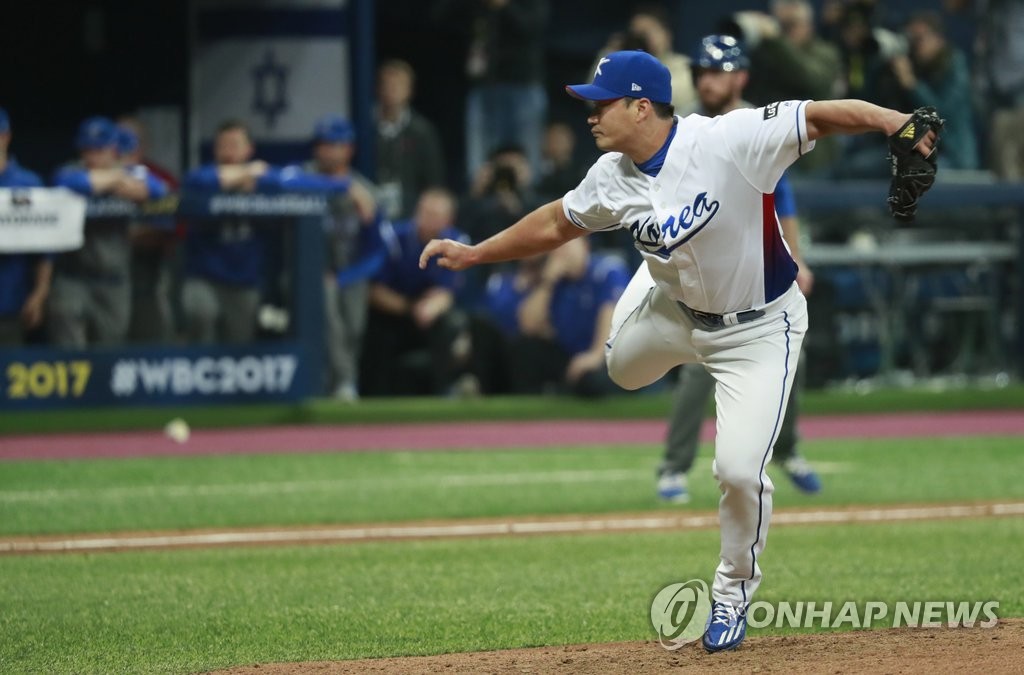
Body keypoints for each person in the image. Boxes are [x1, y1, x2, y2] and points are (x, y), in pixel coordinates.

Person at [419, 49, 937, 651]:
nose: (590, 115)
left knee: (739, 473)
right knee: (620, 369)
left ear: (643, 107)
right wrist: (476, 252)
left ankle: (731, 595)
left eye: (601, 102)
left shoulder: (729, 139)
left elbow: (819, 115)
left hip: (759, 330)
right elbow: (558, 223)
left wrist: (891, 119)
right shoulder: (611, 174)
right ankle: (653, 288)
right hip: (676, 312)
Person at [657, 35, 821, 505]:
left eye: (717, 71)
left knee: (792, 358)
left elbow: (781, 199)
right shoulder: (682, 127)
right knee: (696, 367)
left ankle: (788, 451)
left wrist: (797, 256)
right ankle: (673, 467)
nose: (706, 80)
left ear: (739, 75)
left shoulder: (758, 123)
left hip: (758, 262)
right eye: (701, 72)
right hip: (701, 267)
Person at [50, 116, 169, 347]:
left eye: (100, 149)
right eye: (88, 150)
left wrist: (121, 179)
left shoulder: (132, 171)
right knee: (68, 350)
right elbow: (68, 183)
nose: (93, 156)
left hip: (113, 279)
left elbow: (159, 190)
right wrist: (116, 179)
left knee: (109, 350)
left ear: (114, 149)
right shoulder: (72, 170)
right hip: (74, 276)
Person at [479, 237, 628, 397]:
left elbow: (611, 315)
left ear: (585, 246)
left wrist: (595, 356)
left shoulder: (606, 271)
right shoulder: (556, 280)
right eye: (556, 248)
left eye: (566, 246)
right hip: (567, 355)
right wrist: (548, 282)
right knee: (524, 348)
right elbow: (528, 325)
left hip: (606, 356)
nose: (560, 253)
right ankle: (531, 407)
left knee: (592, 382)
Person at [361, 188, 471, 397]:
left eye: (435, 215)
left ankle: (445, 392)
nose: (427, 219)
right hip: (394, 311)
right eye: (424, 212)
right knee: (373, 328)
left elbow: (447, 293)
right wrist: (409, 308)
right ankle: (373, 396)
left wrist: (430, 308)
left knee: (452, 323)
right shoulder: (394, 237)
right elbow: (374, 291)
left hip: (429, 315)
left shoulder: (457, 240)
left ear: (448, 220)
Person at [306, 114, 382, 401]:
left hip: (352, 271)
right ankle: (342, 385)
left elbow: (378, 250)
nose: (327, 151)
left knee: (353, 328)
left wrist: (348, 276)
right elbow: (279, 180)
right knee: (328, 318)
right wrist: (340, 186)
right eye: (323, 144)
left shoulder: (366, 191)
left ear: (348, 149)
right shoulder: (303, 178)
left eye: (335, 144)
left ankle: (342, 385)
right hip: (308, 272)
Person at [431, 0, 550, 182]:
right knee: (479, 167)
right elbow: (439, 17)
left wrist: (504, 6)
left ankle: (529, 206)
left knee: (528, 164)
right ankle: (483, 207)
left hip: (523, 86)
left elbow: (532, 27)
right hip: (484, 87)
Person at [889, 11, 978, 170]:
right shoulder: (915, 66)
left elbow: (942, 113)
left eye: (919, 39)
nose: (915, 46)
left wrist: (912, 85)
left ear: (939, 39)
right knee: (857, 165)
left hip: (953, 156)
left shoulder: (955, 65)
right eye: (911, 40)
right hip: (915, 150)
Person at [0, 107, 51, 346]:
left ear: (6, 136)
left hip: (12, 301)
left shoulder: (27, 183)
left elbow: (45, 248)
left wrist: (39, 294)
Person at [375, 59, 447, 221]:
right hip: (371, 210)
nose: (391, 90)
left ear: (409, 91)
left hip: (410, 215)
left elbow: (434, 180)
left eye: (397, 85)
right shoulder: (366, 128)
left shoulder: (422, 131)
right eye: (387, 84)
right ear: (378, 88)